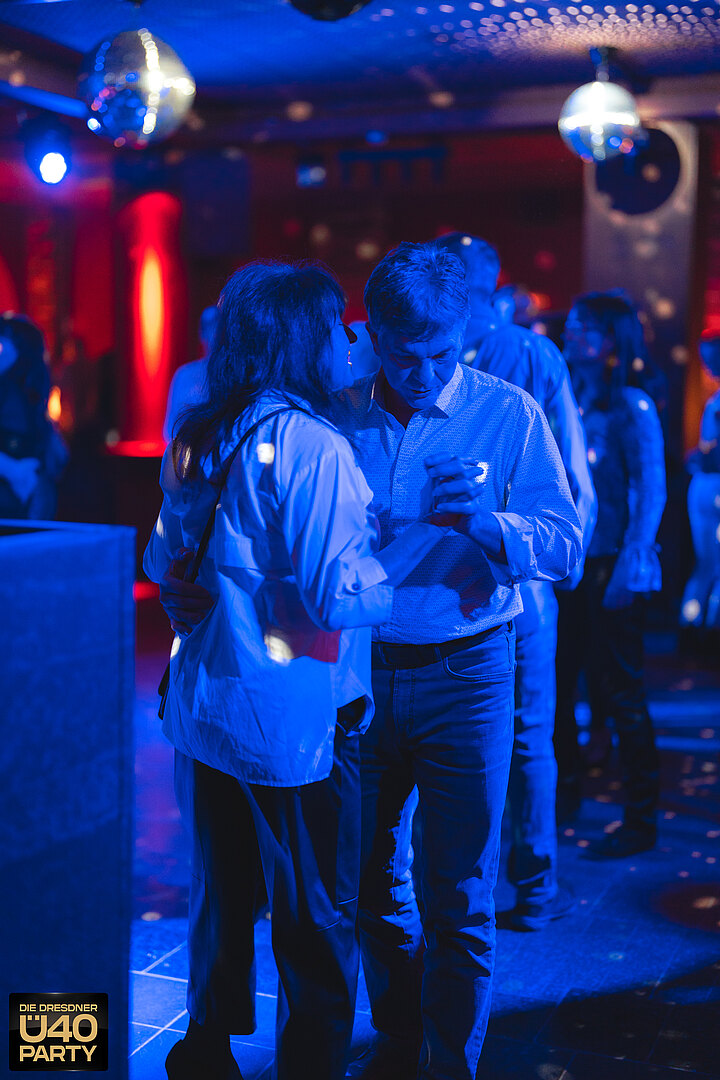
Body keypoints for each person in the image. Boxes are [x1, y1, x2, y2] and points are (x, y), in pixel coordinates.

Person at [160, 243, 583, 1080]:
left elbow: (567, 545)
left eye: (442, 355)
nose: (424, 375)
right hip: (351, 675)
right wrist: (199, 581)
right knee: (366, 887)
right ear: (370, 335)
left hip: (468, 672)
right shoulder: (333, 417)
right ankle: (395, 1040)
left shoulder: (507, 413)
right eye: (403, 355)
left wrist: (489, 526)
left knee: (459, 894)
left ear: (465, 333)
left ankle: (449, 1065)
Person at [143, 260, 450, 1080]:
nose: (351, 339)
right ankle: (308, 1065)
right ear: (301, 337)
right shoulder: (312, 443)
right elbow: (340, 596)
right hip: (294, 720)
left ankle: (204, 1050)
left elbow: (161, 561)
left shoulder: (200, 432)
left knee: (220, 893)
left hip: (205, 706)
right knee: (317, 913)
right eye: (336, 324)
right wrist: (421, 532)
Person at [434, 233, 597, 932]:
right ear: (497, 285)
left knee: (444, 739)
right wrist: (567, 562)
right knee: (531, 733)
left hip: (437, 579)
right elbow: (575, 483)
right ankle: (535, 887)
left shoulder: (420, 352)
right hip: (524, 577)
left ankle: (451, 887)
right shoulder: (534, 353)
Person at [555, 289, 666, 857]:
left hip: (614, 563)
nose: (572, 334)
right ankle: (563, 799)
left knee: (621, 692)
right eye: (572, 325)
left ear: (611, 340)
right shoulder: (567, 397)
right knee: (558, 686)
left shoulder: (631, 406)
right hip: (570, 566)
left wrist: (633, 558)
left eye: (585, 327)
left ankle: (641, 820)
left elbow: (651, 488)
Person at [0, 313, 67, 519]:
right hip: (24, 494)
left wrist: (18, 472)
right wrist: (14, 470)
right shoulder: (27, 393)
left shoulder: (14, 394)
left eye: (2, 343)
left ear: (20, 348)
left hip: (19, 497)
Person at [681, 332, 720, 630]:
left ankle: (697, 623)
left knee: (708, 563)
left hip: (706, 485)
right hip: (709, 486)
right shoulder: (713, 402)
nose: (709, 366)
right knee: (708, 562)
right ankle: (700, 627)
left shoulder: (714, 402)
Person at [163, 305, 220, 442]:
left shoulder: (236, 376)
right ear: (202, 333)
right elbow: (169, 427)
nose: (215, 333)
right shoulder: (184, 374)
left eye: (219, 326)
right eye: (210, 326)